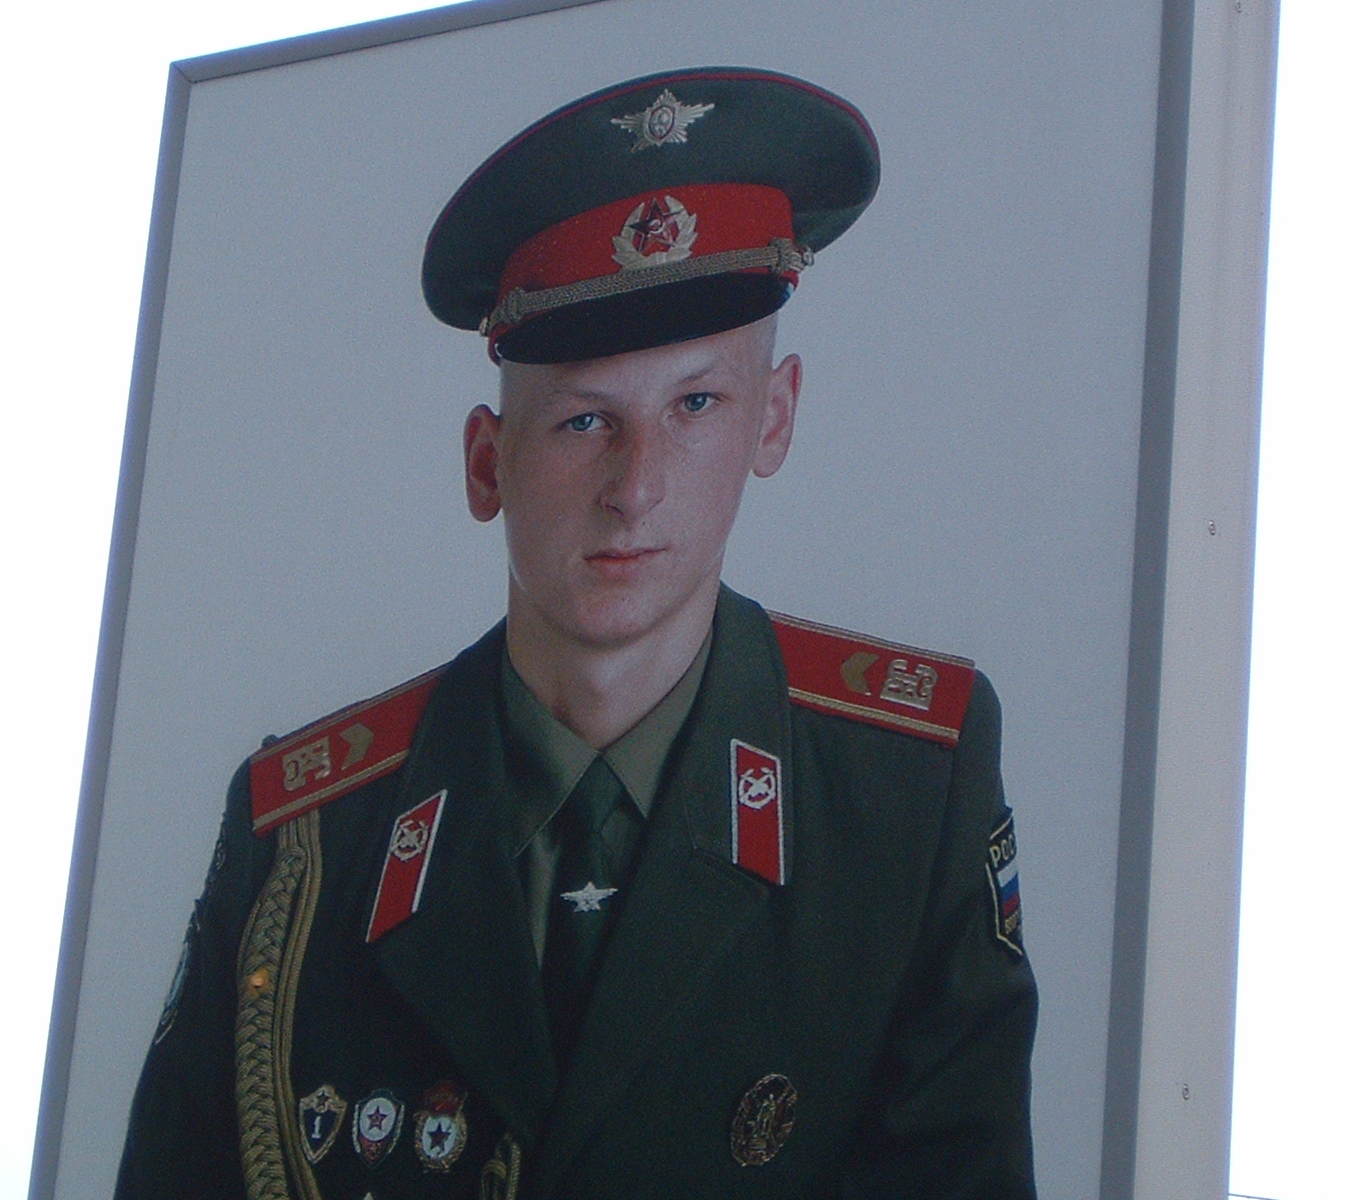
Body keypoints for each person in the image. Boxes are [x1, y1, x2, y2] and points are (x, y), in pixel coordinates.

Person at [116, 67, 1037, 1200]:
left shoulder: (905, 797)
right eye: (583, 419)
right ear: (485, 463)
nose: (635, 488)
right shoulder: (303, 839)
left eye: (694, 405)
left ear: (775, 418)